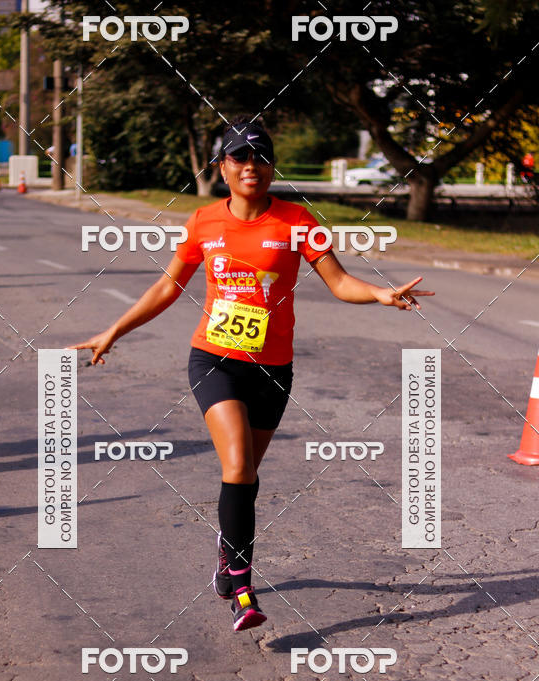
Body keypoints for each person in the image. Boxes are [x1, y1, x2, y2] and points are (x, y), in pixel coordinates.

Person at [70, 116, 433, 633]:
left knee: (245, 478)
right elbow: (168, 287)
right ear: (222, 167)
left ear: (271, 167)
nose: (251, 166)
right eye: (239, 156)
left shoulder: (296, 221)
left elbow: (339, 281)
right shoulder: (203, 222)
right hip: (214, 360)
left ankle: (227, 555)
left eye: (260, 157)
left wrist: (379, 293)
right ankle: (242, 586)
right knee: (238, 465)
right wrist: (114, 330)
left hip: (273, 370)